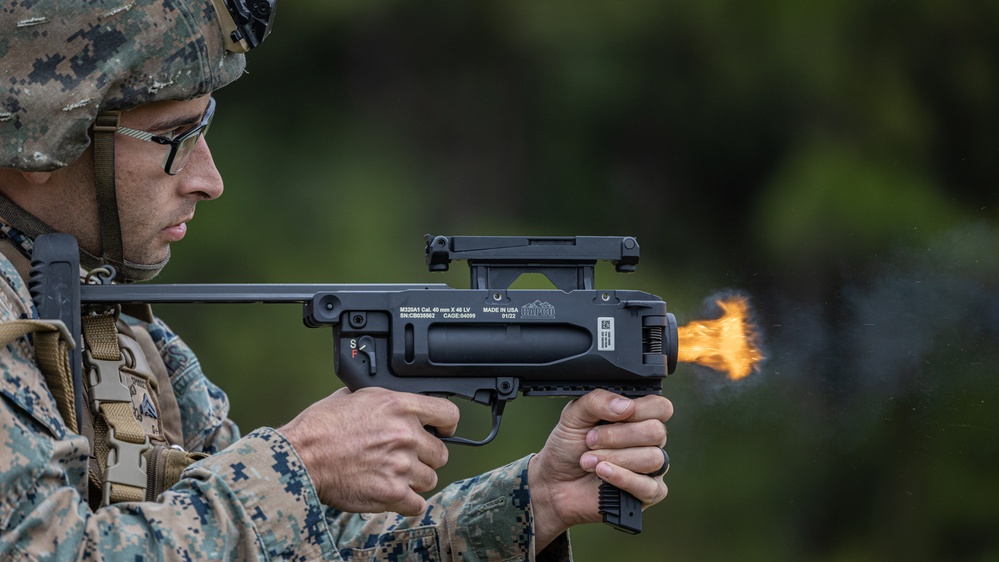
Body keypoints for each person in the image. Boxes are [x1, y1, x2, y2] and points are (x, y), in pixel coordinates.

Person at [0, 0, 673, 559]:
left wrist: (536, 499)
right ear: (49, 137)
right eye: (176, 136)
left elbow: (293, 547)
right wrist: (298, 464)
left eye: (206, 129)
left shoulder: (119, 336)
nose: (209, 180)